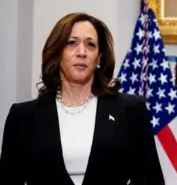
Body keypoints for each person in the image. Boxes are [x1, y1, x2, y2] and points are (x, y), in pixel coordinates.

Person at [0, 13, 165, 185]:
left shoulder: (130, 110)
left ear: (99, 58)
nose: (82, 52)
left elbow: (150, 179)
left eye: (90, 45)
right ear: (57, 54)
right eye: (72, 43)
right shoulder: (23, 117)